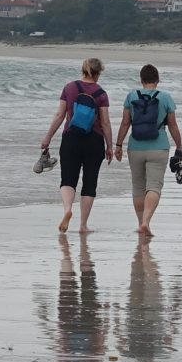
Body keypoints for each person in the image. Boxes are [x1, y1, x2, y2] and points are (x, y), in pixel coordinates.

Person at [111, 64, 182, 240]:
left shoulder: (131, 96)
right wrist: (179, 147)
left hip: (135, 147)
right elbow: (173, 125)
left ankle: (140, 224)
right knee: (154, 186)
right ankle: (146, 221)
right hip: (159, 147)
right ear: (157, 80)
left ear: (141, 80)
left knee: (138, 187)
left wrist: (118, 145)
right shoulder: (165, 98)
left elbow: (125, 123)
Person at [37, 57, 110, 236]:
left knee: (68, 179)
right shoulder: (101, 93)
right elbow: (105, 122)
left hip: (71, 138)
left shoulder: (69, 88)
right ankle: (83, 225)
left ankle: (68, 209)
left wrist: (48, 137)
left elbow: (59, 115)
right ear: (98, 73)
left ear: (83, 69)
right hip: (94, 141)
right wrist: (110, 146)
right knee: (90, 183)